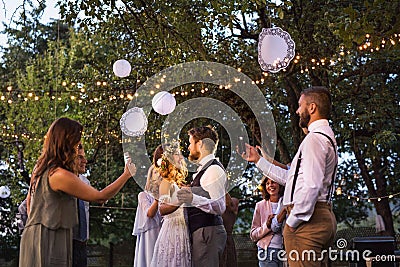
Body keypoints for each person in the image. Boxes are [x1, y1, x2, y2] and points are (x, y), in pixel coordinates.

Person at [19, 117, 136, 267]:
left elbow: (30, 202)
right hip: (50, 238)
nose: (77, 147)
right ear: (67, 142)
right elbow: (100, 197)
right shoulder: (59, 175)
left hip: (36, 235)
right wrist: (126, 174)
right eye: (77, 143)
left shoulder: (40, 168)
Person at [244, 86, 338, 267]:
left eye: (300, 105)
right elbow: (291, 179)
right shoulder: (325, 137)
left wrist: (293, 221)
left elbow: (312, 185)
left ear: (312, 108)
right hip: (320, 215)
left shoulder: (314, 139)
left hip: (307, 222)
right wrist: (258, 161)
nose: (297, 110)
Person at [177, 126, 227, 267]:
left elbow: (220, 207)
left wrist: (192, 198)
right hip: (202, 232)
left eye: (191, 143)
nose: (188, 147)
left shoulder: (213, 170)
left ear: (200, 144)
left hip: (208, 232)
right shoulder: (204, 170)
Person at [150, 142, 191, 267]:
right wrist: (181, 200)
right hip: (173, 231)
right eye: (177, 154)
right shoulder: (166, 182)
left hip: (181, 228)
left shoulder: (175, 183)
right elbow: (162, 209)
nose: (181, 158)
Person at [133, 145, 163, 267]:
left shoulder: (167, 195)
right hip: (149, 236)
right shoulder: (143, 196)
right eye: (154, 173)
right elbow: (149, 214)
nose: (158, 175)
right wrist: (157, 197)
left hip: (162, 233)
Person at [251, 177, 285, 267]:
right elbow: (253, 235)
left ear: (280, 184)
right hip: (267, 251)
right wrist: (267, 225)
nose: (270, 185)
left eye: (273, 182)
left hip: (287, 251)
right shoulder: (260, 206)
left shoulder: (286, 204)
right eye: (267, 183)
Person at [73, 145, 90, 267]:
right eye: (80, 157)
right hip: (67, 241)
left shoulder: (86, 182)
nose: (85, 161)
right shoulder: (59, 180)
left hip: (82, 242)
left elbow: (100, 197)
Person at [219, 193, 239, 267]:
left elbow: (231, 203)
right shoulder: (216, 204)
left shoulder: (233, 202)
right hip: (217, 238)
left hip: (228, 239)